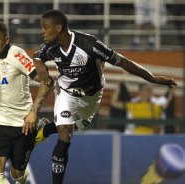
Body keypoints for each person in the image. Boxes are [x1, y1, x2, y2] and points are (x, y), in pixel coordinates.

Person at [33, 9, 177, 184]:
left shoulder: (89, 44)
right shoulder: (50, 47)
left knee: (75, 127)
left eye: (45, 27)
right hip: (66, 92)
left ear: (59, 27)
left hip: (92, 95)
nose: (42, 31)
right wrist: (40, 66)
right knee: (65, 134)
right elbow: (37, 56)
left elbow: (122, 61)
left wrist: (152, 78)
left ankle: (46, 130)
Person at [0, 21, 54, 184]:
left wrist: (33, 112)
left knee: (17, 174)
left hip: (22, 125)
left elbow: (47, 82)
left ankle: (37, 135)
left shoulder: (16, 55)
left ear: (6, 40)